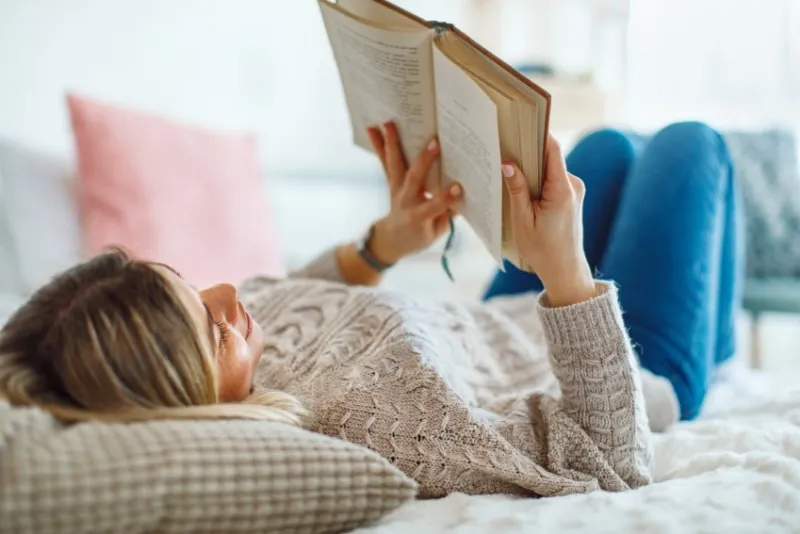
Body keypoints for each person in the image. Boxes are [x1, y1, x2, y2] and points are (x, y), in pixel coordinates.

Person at [0, 120, 739, 499]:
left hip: (503, 316)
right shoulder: (373, 427)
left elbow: (288, 295)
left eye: (193, 287)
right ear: (187, 402)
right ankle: (714, 342)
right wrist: (566, 268)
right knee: (690, 145)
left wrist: (384, 243)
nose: (230, 295)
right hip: (628, 358)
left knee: (605, 149)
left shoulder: (240, 349)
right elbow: (610, 461)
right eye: (208, 324)